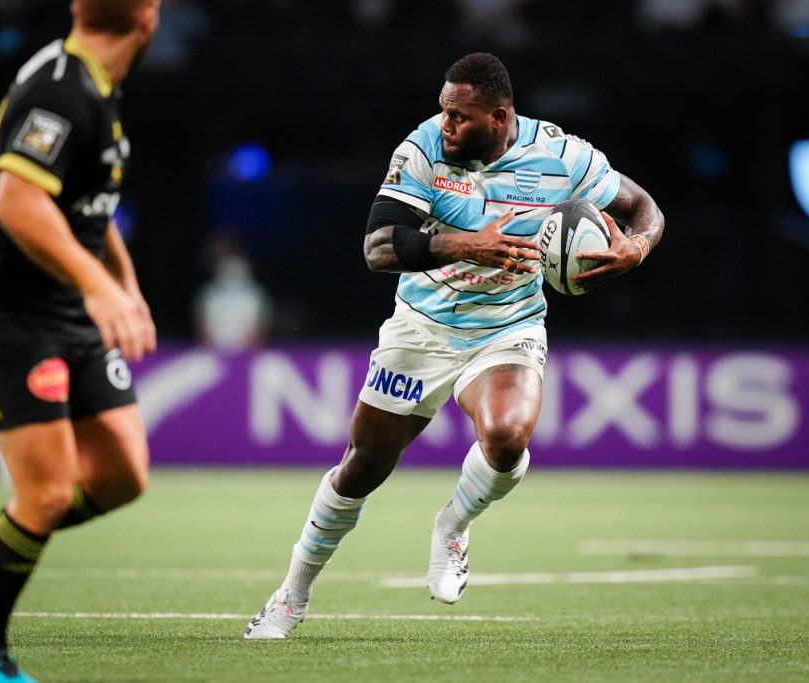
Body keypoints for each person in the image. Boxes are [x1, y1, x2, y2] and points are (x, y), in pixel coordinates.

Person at [244, 52, 664, 639]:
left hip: (507, 325)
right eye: (443, 111)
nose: (445, 124)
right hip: (423, 328)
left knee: (507, 437)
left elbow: (644, 208)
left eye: (459, 117)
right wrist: (465, 245)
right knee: (363, 467)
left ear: (499, 117)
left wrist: (635, 248)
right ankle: (291, 595)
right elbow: (377, 248)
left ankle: (452, 525)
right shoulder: (423, 150)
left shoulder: (561, 155)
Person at [0, 1, 161, 681]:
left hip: (69, 311)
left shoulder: (95, 86)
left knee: (122, 475)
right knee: (49, 491)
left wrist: (125, 286)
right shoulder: (61, 89)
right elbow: (17, 201)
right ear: (149, 18)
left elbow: (85, 206)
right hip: (12, 317)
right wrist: (98, 287)